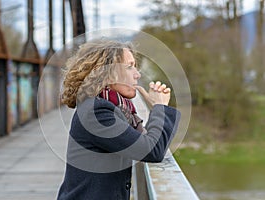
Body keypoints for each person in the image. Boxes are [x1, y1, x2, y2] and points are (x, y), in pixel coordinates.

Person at [57, 40, 180, 200]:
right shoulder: (97, 112)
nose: (137, 74)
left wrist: (157, 109)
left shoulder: (114, 108)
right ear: (106, 74)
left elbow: (145, 141)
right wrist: (160, 107)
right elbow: (152, 150)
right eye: (129, 67)